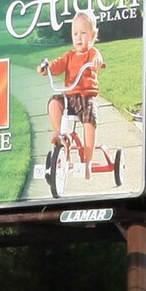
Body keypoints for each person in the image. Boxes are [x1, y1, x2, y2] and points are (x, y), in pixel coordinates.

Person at [38, 11, 105, 171]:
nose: (79, 37)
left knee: (89, 121)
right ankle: (60, 134)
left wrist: (96, 62)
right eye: (75, 33)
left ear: (93, 35)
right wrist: (46, 68)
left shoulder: (91, 53)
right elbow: (58, 64)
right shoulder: (70, 56)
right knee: (54, 102)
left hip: (87, 98)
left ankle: (88, 160)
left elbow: (98, 59)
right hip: (69, 98)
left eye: (83, 33)